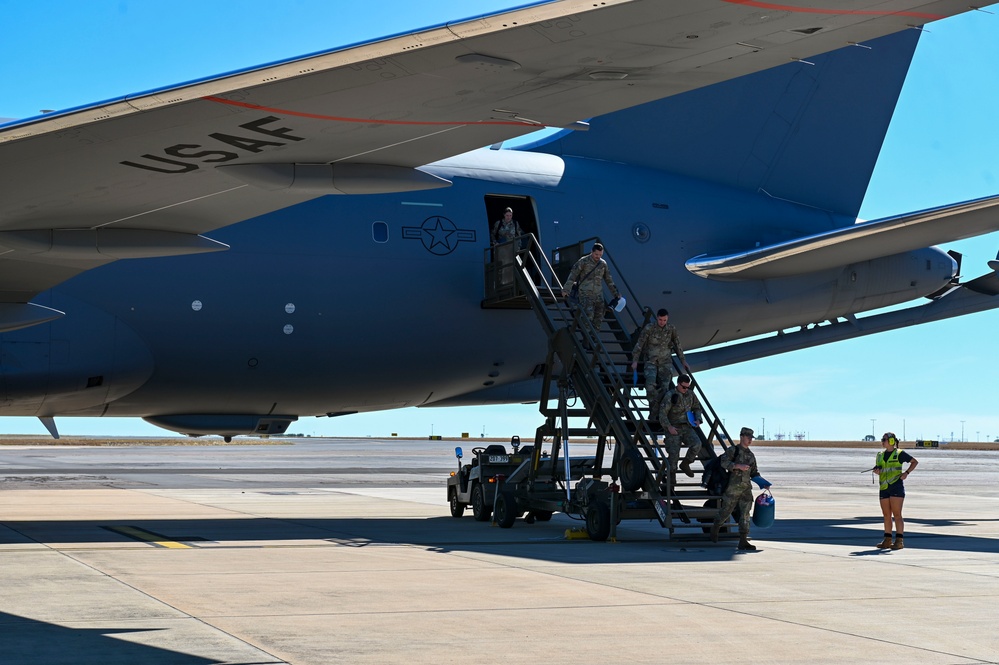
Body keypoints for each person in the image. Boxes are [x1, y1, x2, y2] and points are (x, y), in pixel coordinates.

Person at [711, 427, 771, 551]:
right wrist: (737, 466)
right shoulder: (733, 451)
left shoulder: (750, 455)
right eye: (748, 437)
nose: (750, 440)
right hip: (732, 489)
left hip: (745, 490)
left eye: (751, 438)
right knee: (726, 511)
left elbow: (754, 473)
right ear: (742, 436)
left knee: (745, 515)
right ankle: (716, 527)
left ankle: (743, 540)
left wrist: (763, 483)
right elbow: (724, 463)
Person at [631, 308, 690, 426]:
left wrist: (683, 360)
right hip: (651, 361)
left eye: (664, 320)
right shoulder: (649, 328)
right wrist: (635, 361)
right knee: (650, 386)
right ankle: (653, 412)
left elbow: (678, 345)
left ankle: (659, 415)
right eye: (660, 320)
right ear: (657, 318)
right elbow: (640, 344)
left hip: (665, 362)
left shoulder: (671, 329)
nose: (662, 322)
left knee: (665, 388)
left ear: (667, 319)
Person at [873, 432, 918, 550]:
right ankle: (887, 539)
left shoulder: (899, 453)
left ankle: (899, 540)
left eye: (885, 439)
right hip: (884, 487)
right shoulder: (879, 455)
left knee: (897, 514)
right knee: (886, 515)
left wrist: (906, 473)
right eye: (882, 439)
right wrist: (877, 471)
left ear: (892, 441)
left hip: (896, 486)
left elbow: (914, 462)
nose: (882, 441)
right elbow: (880, 468)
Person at [561, 242, 621, 329]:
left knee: (598, 318)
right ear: (591, 252)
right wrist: (566, 289)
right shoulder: (583, 261)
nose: (598, 256)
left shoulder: (603, 264)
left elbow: (609, 280)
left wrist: (616, 293)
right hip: (585, 294)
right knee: (588, 316)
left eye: (600, 254)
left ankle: (593, 339)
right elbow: (573, 275)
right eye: (596, 254)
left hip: (598, 295)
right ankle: (586, 339)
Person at [658, 374, 704, 479]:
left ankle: (686, 463)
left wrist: (698, 419)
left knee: (697, 444)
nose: (686, 389)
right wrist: (669, 427)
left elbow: (697, 407)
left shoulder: (691, 394)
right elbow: (662, 413)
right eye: (684, 387)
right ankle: (671, 478)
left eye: (688, 387)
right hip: (674, 427)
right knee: (674, 456)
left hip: (687, 427)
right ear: (678, 384)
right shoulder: (670, 395)